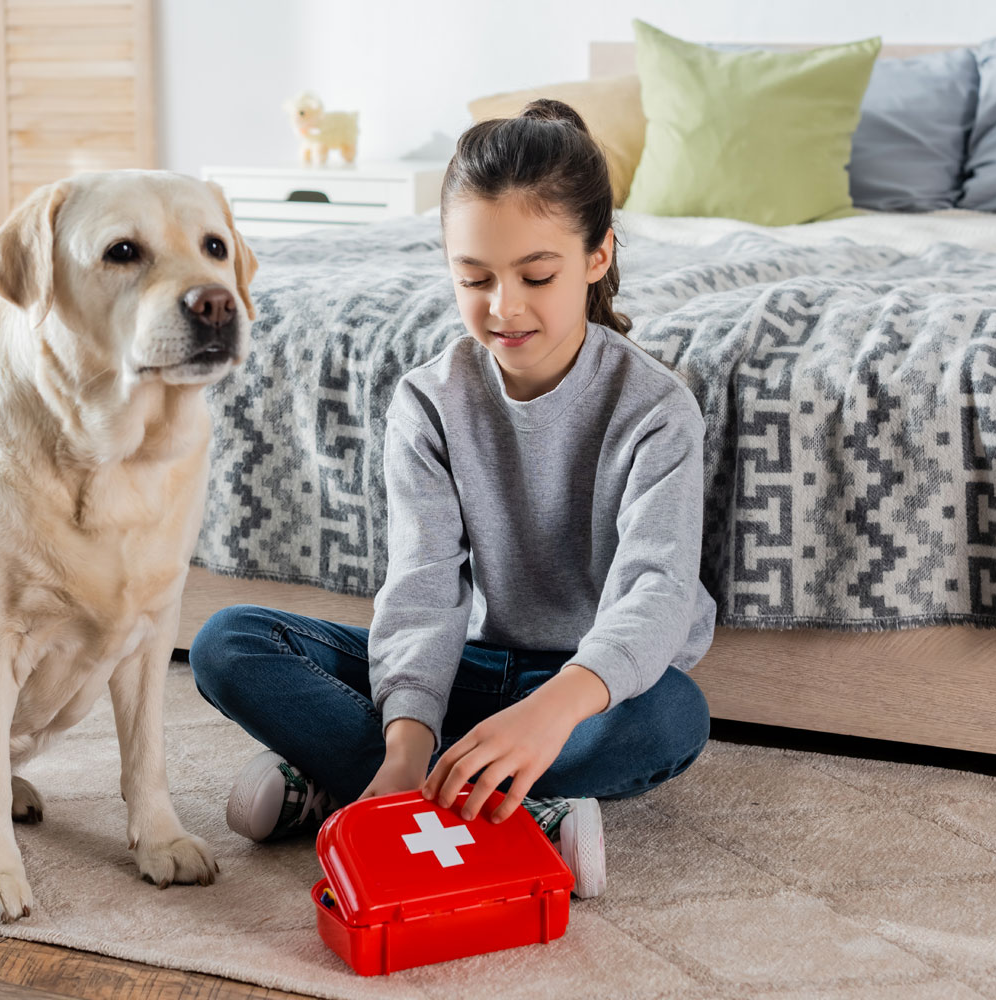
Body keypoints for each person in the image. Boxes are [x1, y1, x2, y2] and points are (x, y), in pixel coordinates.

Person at [188, 99, 715, 899]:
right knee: (229, 641)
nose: (504, 307)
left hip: (587, 684)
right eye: (474, 278)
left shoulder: (655, 408)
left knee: (673, 716)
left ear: (598, 255)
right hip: (467, 665)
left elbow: (659, 593)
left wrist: (552, 713)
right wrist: (403, 741)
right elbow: (424, 586)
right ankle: (492, 803)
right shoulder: (430, 399)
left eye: (537, 276)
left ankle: (349, 785)